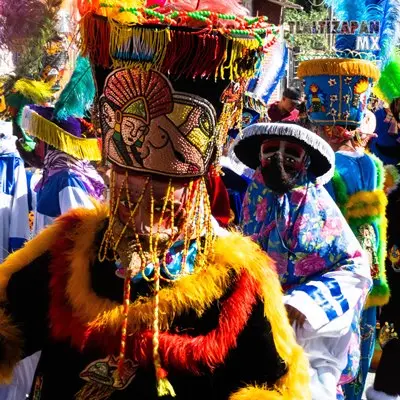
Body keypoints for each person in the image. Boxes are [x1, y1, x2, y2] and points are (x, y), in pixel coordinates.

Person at [0, 1, 311, 399]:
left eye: (161, 180)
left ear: (199, 179)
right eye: (127, 173)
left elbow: (274, 387)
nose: (137, 187)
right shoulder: (71, 248)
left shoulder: (236, 281)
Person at [235, 122, 372, 400]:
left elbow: (355, 266)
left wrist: (305, 302)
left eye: (291, 153)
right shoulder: (254, 199)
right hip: (257, 329)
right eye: (271, 150)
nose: (278, 159)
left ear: (305, 160)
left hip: (307, 337)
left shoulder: (318, 206)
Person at [318, 111, 389, 400]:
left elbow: (326, 220)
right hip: (370, 255)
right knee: (366, 326)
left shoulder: (329, 164)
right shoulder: (373, 164)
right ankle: (354, 393)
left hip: (341, 256)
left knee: (338, 332)